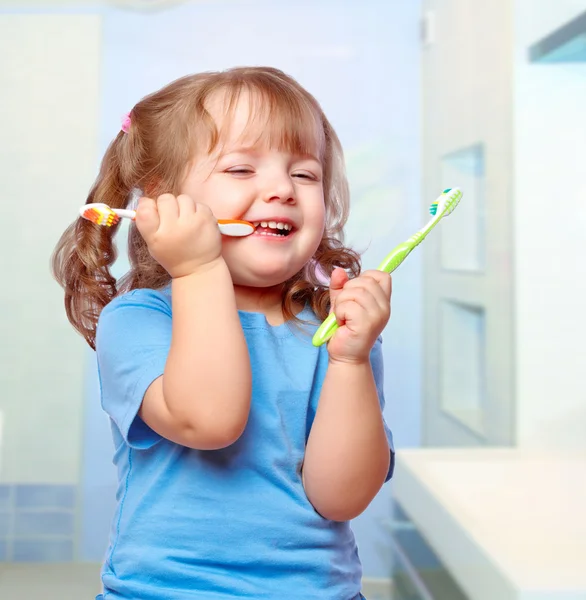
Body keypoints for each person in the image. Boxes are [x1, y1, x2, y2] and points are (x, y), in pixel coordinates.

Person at [52, 66, 395, 600]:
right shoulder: (140, 319)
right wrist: (197, 270)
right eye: (241, 168)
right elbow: (209, 420)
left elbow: (341, 497)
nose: (282, 189)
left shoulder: (337, 331)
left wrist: (351, 361)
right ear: (163, 201)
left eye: (304, 174)